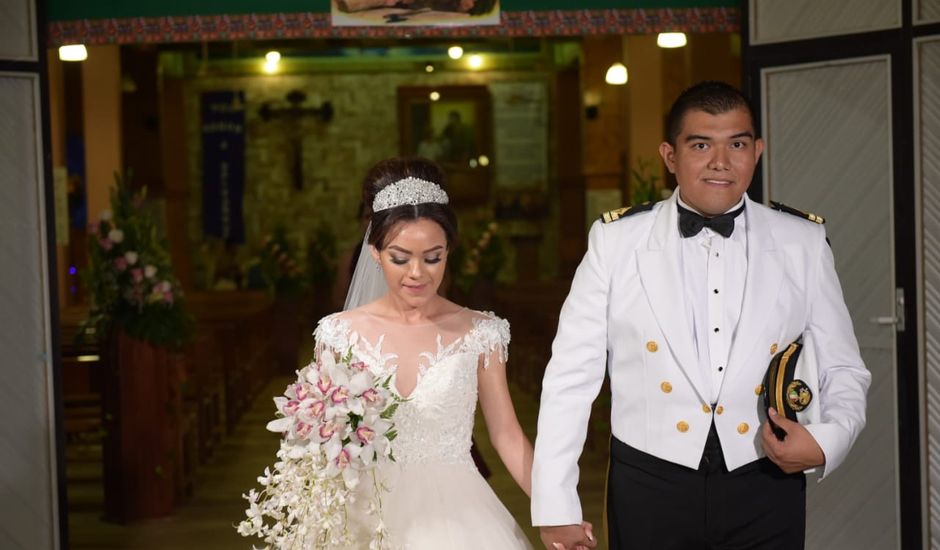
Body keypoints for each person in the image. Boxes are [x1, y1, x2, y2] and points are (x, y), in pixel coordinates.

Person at [531, 81, 871, 550]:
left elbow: (844, 367)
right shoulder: (616, 242)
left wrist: (828, 440)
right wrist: (556, 505)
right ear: (670, 156)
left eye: (737, 144)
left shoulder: (801, 242)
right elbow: (571, 376)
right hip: (649, 482)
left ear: (758, 151)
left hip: (764, 480)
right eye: (700, 145)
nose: (720, 161)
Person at [315, 156, 540, 547]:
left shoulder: (482, 333)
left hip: (460, 518)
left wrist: (557, 509)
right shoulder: (338, 335)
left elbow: (506, 435)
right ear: (374, 251)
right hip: (367, 515)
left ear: (448, 251)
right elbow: (324, 442)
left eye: (432, 257)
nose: (417, 273)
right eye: (400, 258)